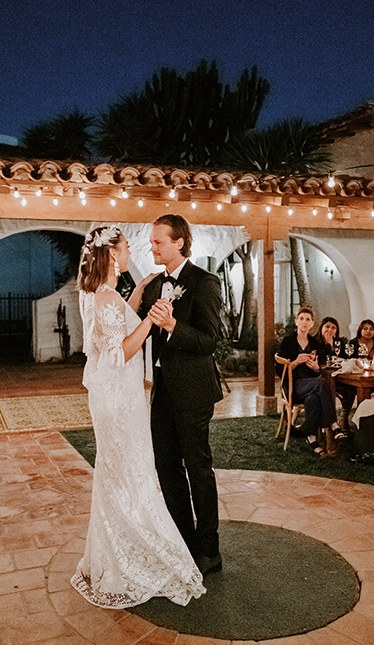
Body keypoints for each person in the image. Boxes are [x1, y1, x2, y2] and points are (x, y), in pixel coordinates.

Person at [71, 225, 206, 609]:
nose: (133, 252)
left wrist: (141, 291)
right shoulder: (106, 298)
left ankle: (115, 551)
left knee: (118, 471)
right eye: (128, 247)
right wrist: (153, 317)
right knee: (129, 470)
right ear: (113, 254)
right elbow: (119, 352)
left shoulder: (103, 295)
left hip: (113, 397)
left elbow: (116, 323)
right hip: (118, 400)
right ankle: (132, 552)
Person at [138, 214, 223, 577]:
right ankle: (182, 541)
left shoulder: (204, 283)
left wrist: (172, 325)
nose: (152, 247)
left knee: (198, 468)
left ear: (179, 243)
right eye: (152, 241)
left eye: (159, 241)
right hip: (163, 392)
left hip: (193, 391)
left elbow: (210, 340)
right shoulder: (156, 284)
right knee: (166, 466)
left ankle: (208, 549)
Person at [277, 307, 347, 457]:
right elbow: (279, 370)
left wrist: (315, 368)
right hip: (293, 386)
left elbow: (318, 370)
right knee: (321, 383)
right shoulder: (288, 341)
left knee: (314, 399)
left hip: (310, 389)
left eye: (307, 319)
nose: (304, 322)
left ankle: (311, 438)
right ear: (296, 322)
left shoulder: (315, 344)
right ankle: (333, 424)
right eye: (301, 318)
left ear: (312, 324)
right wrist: (295, 362)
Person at [340, 319, 374, 431]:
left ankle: (367, 422)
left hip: (370, 374)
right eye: (365, 328)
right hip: (354, 375)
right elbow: (348, 360)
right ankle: (344, 419)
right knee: (350, 388)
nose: (368, 331)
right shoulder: (353, 343)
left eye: (371, 329)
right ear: (360, 330)